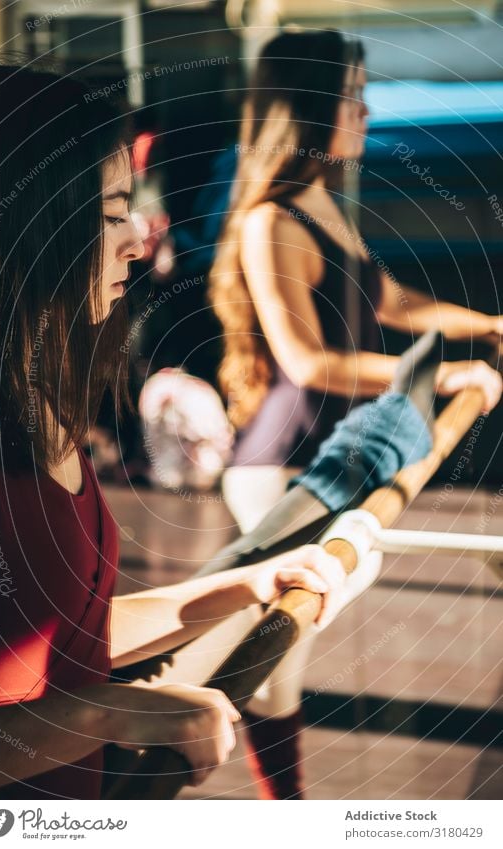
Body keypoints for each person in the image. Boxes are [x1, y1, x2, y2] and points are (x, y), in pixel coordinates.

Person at [0, 61, 342, 800]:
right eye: (111, 215)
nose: (138, 244)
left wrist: (243, 585)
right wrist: (116, 712)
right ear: (31, 230)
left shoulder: (46, 415)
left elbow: (73, 637)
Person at [207, 30, 503, 798]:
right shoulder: (271, 221)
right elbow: (305, 362)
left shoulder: (322, 204)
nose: (367, 111)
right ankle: (286, 811)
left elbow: (395, 301)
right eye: (352, 97)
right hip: (283, 467)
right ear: (311, 108)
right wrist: (441, 378)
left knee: (284, 655)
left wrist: (485, 328)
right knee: (276, 665)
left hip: (330, 456)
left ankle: (287, 810)